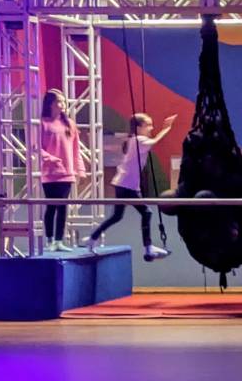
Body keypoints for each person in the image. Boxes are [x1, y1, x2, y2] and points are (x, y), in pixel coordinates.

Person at [82, 113, 174, 261]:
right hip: (127, 185)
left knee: (118, 216)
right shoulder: (139, 140)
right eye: (148, 125)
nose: (151, 128)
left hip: (124, 183)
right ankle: (148, 248)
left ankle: (93, 238)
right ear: (138, 128)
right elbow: (156, 140)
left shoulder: (134, 140)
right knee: (146, 213)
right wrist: (166, 128)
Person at [39, 89, 86, 252]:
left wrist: (79, 170)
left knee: (63, 206)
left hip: (67, 173)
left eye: (64, 102)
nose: (63, 105)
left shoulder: (69, 124)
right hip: (49, 173)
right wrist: (50, 159)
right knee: (51, 206)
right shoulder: (42, 123)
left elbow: (75, 149)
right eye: (59, 101)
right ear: (50, 103)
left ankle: (59, 240)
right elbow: (35, 148)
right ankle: (50, 239)